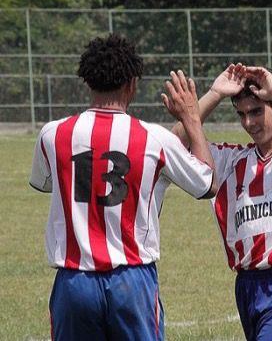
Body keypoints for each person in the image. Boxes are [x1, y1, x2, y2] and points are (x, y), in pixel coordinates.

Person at [29, 34, 217, 341]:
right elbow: (208, 184)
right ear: (132, 83)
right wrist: (191, 119)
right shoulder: (154, 138)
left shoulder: (53, 134)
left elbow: (45, 183)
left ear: (87, 82)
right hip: (132, 280)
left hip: (74, 282)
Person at [165, 63, 272, 340]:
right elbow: (173, 142)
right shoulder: (232, 160)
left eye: (257, 111)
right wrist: (215, 94)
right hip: (246, 285)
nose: (249, 123)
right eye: (242, 114)